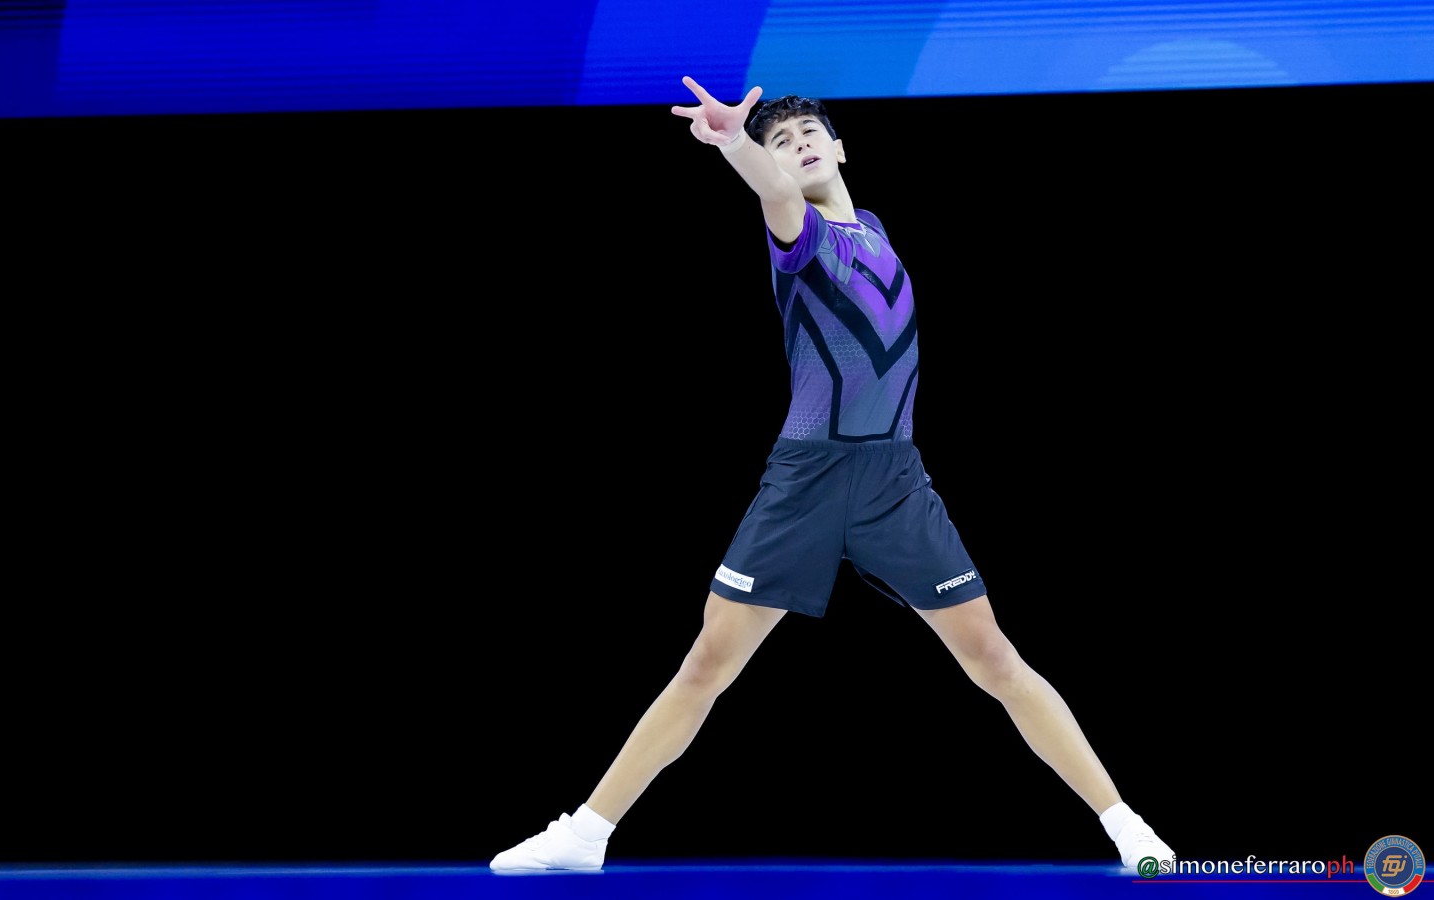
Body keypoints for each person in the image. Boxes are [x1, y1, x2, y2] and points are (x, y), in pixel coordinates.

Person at [488, 75, 1175, 874]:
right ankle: (584, 834)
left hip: (896, 483)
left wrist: (758, 145)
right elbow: (776, 192)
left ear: (841, 148)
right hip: (805, 480)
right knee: (708, 663)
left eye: (809, 132)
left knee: (994, 658)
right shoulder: (799, 232)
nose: (798, 144)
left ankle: (1126, 825)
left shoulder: (873, 228)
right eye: (783, 141)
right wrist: (737, 144)